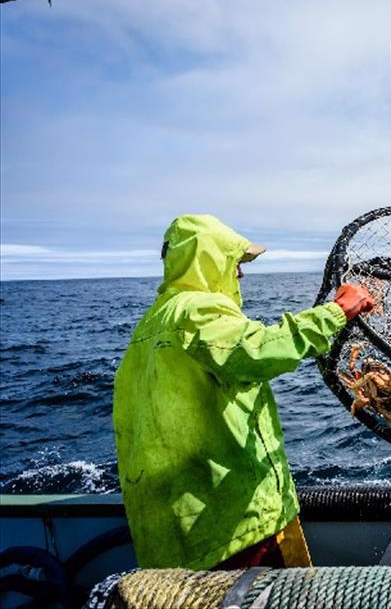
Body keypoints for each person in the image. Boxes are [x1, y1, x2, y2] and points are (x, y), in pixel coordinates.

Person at [113, 214, 374, 570]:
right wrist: (336, 312)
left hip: (172, 532)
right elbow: (257, 351)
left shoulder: (151, 323)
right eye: (235, 262)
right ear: (209, 261)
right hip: (231, 526)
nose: (240, 274)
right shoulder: (196, 309)